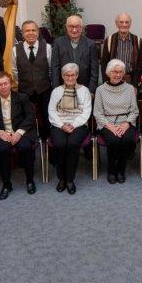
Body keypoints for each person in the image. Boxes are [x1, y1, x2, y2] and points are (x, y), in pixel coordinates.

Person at [0, 71, 38, 200]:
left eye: (5, 83)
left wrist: (19, 132)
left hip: (21, 131)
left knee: (25, 147)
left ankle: (30, 180)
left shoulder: (22, 98)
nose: (3, 87)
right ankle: (6, 184)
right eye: (0, 85)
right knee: (2, 149)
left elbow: (30, 117)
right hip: (3, 133)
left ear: (11, 84)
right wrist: (0, 133)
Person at [48, 62, 93, 194]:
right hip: (59, 124)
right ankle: (61, 178)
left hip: (78, 124)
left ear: (77, 75)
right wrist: (62, 125)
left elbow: (86, 112)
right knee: (61, 144)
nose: (70, 78)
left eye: (73, 75)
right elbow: (51, 111)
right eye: (67, 75)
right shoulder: (57, 91)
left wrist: (73, 124)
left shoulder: (84, 91)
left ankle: (70, 179)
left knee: (73, 143)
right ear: (63, 76)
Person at [94, 60, 139, 184]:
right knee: (113, 140)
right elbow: (97, 113)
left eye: (120, 72)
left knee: (127, 139)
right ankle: (111, 170)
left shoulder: (130, 89)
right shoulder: (100, 90)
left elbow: (134, 111)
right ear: (108, 73)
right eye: (114, 72)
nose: (117, 75)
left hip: (126, 122)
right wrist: (111, 127)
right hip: (107, 123)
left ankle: (121, 169)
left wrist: (126, 124)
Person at [12, 19, 52, 140]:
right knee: (26, 117)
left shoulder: (47, 47)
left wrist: (46, 82)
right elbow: (14, 71)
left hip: (44, 88)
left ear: (38, 32)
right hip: (25, 90)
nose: (30, 33)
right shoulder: (15, 49)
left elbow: (50, 68)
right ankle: (31, 140)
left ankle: (47, 141)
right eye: (27, 31)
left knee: (46, 116)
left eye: (33, 30)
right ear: (23, 33)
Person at [49, 15, 99, 92]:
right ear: (66, 27)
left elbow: (94, 70)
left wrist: (91, 91)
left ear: (82, 27)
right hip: (63, 88)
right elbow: (55, 68)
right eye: (71, 26)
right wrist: (56, 90)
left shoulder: (91, 44)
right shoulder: (58, 43)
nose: (74, 30)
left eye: (77, 26)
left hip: (84, 88)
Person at [99, 12, 142, 87]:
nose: (124, 25)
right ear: (116, 23)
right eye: (121, 22)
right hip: (112, 80)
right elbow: (104, 64)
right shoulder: (109, 40)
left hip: (131, 80)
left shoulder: (138, 40)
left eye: (127, 22)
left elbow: (141, 64)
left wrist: (134, 84)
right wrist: (107, 84)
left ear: (130, 24)